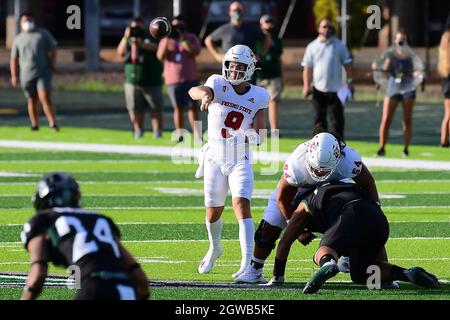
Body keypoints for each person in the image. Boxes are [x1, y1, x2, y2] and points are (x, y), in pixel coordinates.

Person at [235, 132, 380, 284]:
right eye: (316, 168)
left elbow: (368, 184)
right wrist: (297, 231)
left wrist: (375, 210)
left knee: (348, 214)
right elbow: (283, 199)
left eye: (324, 170)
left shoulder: (349, 160)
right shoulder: (296, 164)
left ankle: (346, 255)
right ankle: (255, 269)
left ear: (337, 158)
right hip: (298, 189)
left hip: (332, 187)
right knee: (270, 226)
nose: (319, 172)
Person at [269, 182, 440, 294]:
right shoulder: (342, 187)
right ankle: (407, 273)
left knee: (322, 252)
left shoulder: (304, 203)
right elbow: (378, 245)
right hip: (378, 219)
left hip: (348, 216)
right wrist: (386, 278)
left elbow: (285, 242)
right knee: (360, 275)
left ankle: (328, 263)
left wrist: (278, 276)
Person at [188, 45, 269, 279]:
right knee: (213, 213)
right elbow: (194, 90)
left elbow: (261, 135)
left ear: (250, 69)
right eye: (231, 66)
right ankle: (215, 247)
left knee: (241, 205)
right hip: (214, 157)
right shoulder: (216, 83)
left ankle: (247, 264)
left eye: (239, 67)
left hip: (239, 158)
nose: (233, 71)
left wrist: (247, 136)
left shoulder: (259, 95)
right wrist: (204, 94)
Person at [20, 172, 150, 300]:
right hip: (126, 289)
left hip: (94, 287)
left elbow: (38, 274)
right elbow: (140, 279)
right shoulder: (101, 219)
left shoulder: (43, 220)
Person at [302, 19, 354, 141]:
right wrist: (306, 85)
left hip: (336, 90)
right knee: (319, 120)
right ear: (319, 29)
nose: (327, 29)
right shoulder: (312, 46)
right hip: (318, 89)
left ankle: (340, 147)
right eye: (324, 26)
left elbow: (348, 65)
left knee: (337, 121)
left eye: (329, 26)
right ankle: (318, 146)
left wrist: (350, 82)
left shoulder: (339, 45)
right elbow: (307, 68)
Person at [374, 30, 422, 157]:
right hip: (393, 88)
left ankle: (406, 148)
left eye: (403, 40)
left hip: (408, 88)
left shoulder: (411, 56)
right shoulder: (391, 55)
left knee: (407, 119)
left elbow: (417, 70)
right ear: (395, 41)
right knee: (386, 119)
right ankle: (382, 147)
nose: (401, 42)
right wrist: (378, 71)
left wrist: (417, 75)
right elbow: (384, 71)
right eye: (399, 40)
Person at [10, 12, 59, 132]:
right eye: (25, 20)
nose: (28, 23)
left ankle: (52, 123)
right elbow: (14, 58)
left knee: (45, 97)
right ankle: (34, 124)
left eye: (29, 20)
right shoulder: (18, 38)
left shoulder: (42, 34)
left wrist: (52, 63)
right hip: (26, 74)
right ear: (21, 23)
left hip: (43, 72)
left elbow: (53, 47)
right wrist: (14, 75)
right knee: (31, 99)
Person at [116, 17, 164, 139]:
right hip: (132, 81)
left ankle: (157, 132)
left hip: (152, 81)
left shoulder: (151, 36)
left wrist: (141, 44)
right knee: (135, 109)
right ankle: (138, 131)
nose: (136, 30)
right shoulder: (128, 39)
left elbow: (157, 48)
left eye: (138, 27)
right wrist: (126, 36)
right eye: (134, 27)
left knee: (155, 108)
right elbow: (120, 52)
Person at [157, 15, 201, 142]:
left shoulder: (191, 37)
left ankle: (197, 135)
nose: (178, 29)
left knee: (193, 107)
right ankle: (180, 134)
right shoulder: (166, 39)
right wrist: (167, 39)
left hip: (190, 78)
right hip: (173, 80)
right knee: (178, 107)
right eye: (175, 26)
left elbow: (196, 51)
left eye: (180, 26)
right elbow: (160, 56)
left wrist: (183, 40)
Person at [204, 1, 271, 63]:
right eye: (234, 10)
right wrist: (217, 55)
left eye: (239, 10)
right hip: (229, 68)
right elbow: (208, 40)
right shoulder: (224, 29)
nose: (237, 12)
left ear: (243, 11)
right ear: (230, 12)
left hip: (247, 68)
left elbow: (267, 39)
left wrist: (261, 55)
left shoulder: (251, 28)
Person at [255, 14, 283, 134]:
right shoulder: (256, 38)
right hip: (259, 75)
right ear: (261, 24)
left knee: (273, 102)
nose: (269, 24)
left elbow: (279, 58)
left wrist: (281, 76)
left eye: (271, 21)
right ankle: (258, 130)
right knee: (257, 104)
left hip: (273, 75)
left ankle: (274, 131)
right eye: (267, 21)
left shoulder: (277, 39)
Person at [438, 29, 450, 148]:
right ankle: (444, 140)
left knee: (447, 115)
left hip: (446, 85)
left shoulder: (443, 56)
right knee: (448, 115)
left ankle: (444, 140)